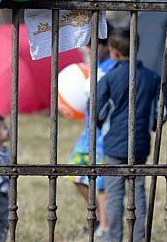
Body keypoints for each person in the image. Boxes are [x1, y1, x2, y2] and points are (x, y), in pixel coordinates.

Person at [96, 28, 161, 242]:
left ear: (113, 52)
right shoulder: (152, 77)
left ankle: (113, 237)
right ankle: (140, 237)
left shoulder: (109, 78)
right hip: (140, 144)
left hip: (114, 144)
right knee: (138, 194)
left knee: (114, 194)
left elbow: (97, 110)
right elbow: (162, 112)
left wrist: (100, 125)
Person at [69, 36, 116, 238]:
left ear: (106, 46)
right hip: (87, 135)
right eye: (87, 46)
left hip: (104, 137)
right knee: (76, 173)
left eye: (92, 45)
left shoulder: (112, 68)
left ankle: (105, 227)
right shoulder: (91, 67)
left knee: (102, 184)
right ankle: (96, 217)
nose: (88, 50)